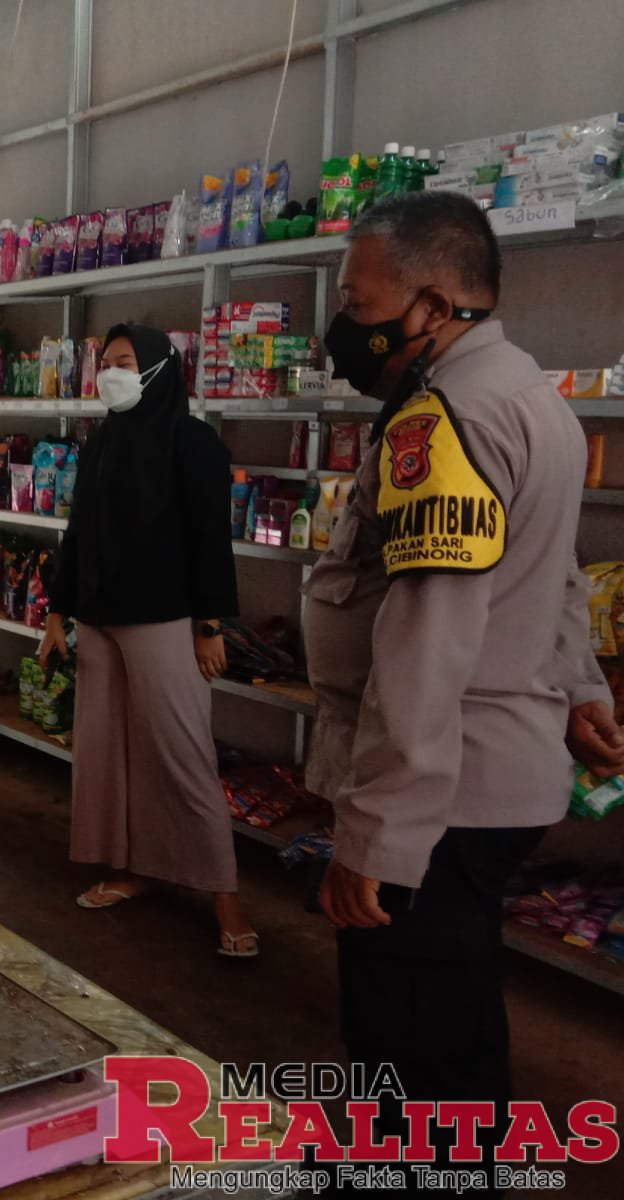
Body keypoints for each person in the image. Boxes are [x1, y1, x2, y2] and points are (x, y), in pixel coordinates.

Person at [303, 191, 624, 1183]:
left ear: (434, 306)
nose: (342, 330)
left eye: (359, 305)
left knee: (407, 1042)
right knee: (454, 1019)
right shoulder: (530, 399)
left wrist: (376, 833)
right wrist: (576, 682)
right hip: (492, 775)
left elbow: (426, 637)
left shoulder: (447, 418)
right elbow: (555, 569)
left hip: (440, 799)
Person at [40, 323, 257, 958]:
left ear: (160, 369)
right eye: (106, 362)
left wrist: (210, 624)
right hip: (101, 620)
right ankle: (132, 868)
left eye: (125, 362)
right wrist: (58, 610)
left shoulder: (194, 443)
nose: (111, 372)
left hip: (166, 619)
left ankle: (226, 896)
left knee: (182, 754)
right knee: (109, 753)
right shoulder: (104, 439)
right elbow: (78, 531)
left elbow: (210, 538)